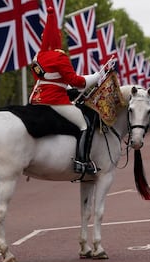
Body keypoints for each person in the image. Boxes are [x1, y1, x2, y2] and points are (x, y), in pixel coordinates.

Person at [29, 7, 104, 175]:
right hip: (54, 101)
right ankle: (81, 161)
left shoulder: (37, 57)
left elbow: (51, 79)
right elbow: (77, 82)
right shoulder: (59, 57)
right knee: (85, 124)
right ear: (58, 39)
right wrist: (97, 76)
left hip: (35, 98)